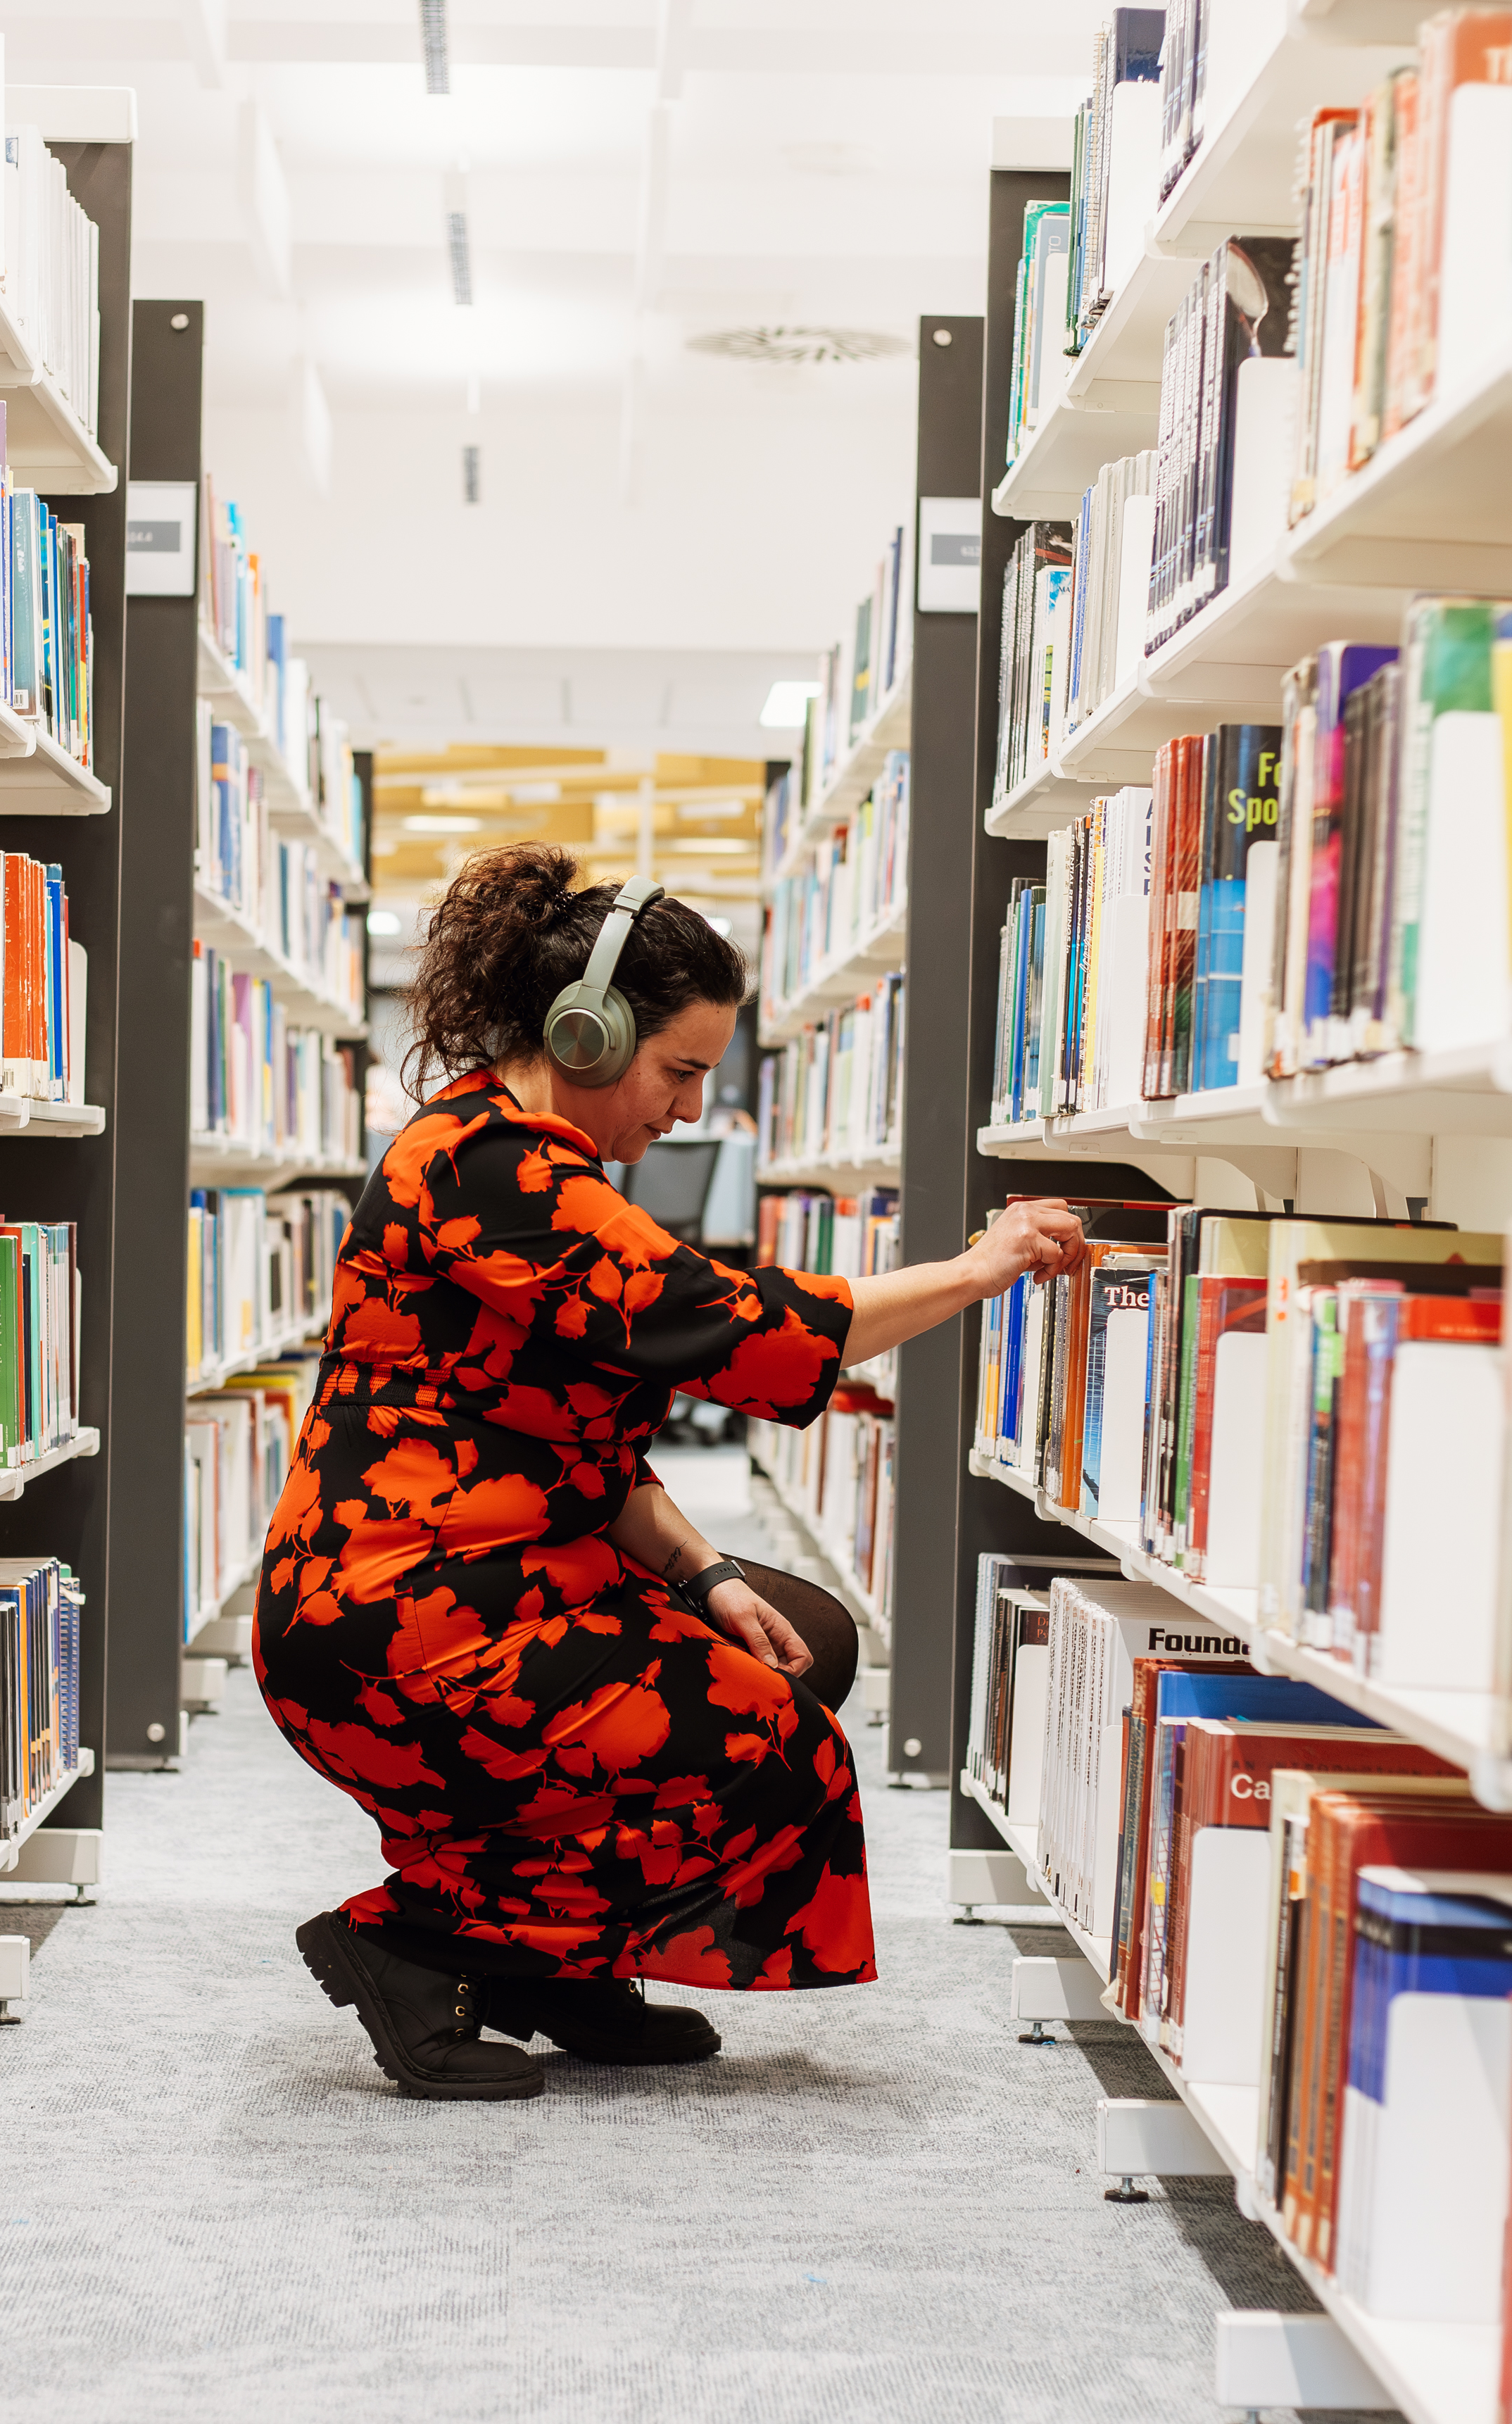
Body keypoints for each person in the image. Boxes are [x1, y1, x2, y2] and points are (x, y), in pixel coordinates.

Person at [254, 843, 1087, 2101]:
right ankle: (417, 1943)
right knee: (767, 1740)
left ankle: (552, 1964)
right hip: (393, 1617)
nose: (691, 1107)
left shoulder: (538, 1164)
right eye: (679, 1069)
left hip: (495, 1577)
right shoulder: (493, 1168)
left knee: (796, 1636)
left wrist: (706, 1578)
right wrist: (979, 1269)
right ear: (586, 1035)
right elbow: (735, 1324)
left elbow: (585, 1448)